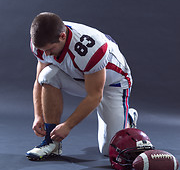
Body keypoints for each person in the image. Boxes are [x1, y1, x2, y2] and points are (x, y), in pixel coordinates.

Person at [26, 12, 138, 160]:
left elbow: (95, 96)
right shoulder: (41, 44)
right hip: (81, 77)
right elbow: (38, 81)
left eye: (50, 49)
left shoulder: (91, 49)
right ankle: (51, 143)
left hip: (113, 84)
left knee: (108, 149)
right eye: (42, 50)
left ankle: (128, 117)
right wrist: (38, 115)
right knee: (47, 76)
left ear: (62, 36)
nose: (46, 54)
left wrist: (67, 126)